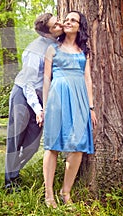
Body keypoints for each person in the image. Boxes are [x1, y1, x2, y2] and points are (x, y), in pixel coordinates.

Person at [42, 11, 97, 208]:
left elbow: (87, 78)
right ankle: (49, 195)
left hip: (79, 99)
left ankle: (65, 192)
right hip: (57, 98)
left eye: (73, 20)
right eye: (66, 19)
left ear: (80, 26)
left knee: (78, 146)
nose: (68, 21)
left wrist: (90, 107)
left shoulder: (84, 51)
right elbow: (46, 79)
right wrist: (45, 106)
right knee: (53, 145)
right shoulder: (52, 49)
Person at [4, 13, 64, 193]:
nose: (60, 25)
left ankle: (14, 170)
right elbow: (28, 83)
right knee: (16, 139)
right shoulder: (34, 50)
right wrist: (38, 109)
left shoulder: (58, 44)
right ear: (46, 33)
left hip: (41, 97)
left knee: (32, 145)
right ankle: (10, 182)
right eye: (55, 26)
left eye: (59, 21)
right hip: (23, 95)